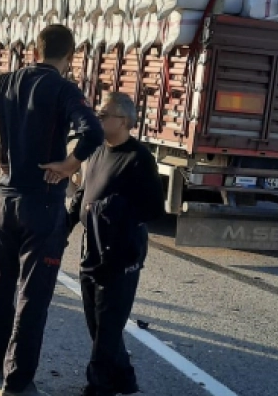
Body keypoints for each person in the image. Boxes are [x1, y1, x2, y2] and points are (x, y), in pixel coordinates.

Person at [0, 24, 104, 396]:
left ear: (36, 51)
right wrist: (69, 165)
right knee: (33, 297)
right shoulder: (64, 89)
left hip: (6, 202)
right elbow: (93, 132)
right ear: (70, 57)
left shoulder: (6, 83)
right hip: (44, 203)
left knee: (0, 285)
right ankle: (18, 382)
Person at [67, 92, 164, 396]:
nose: (98, 118)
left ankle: (98, 387)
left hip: (121, 252)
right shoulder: (96, 151)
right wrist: (63, 227)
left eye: (104, 114)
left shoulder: (139, 159)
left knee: (108, 326)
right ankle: (124, 379)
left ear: (124, 121)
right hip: (91, 248)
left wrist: (114, 213)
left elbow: (153, 208)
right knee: (97, 323)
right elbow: (83, 194)